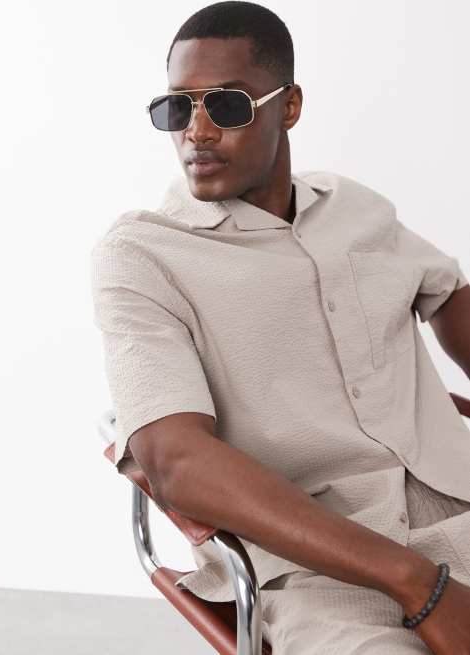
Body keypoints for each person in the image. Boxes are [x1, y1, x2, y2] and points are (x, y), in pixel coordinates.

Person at [90, 2, 470, 652]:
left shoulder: (353, 207)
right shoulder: (142, 256)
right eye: (178, 108)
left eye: (226, 105)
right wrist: (416, 583)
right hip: (318, 572)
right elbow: (177, 461)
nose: (197, 132)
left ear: (287, 106)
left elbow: (446, 290)